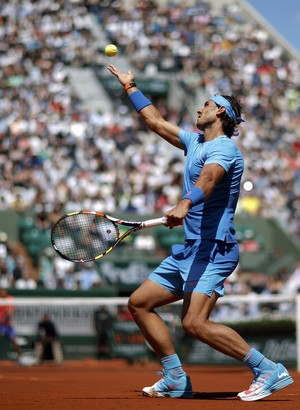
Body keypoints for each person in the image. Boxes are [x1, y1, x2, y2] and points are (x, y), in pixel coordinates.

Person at [106, 64, 294, 401]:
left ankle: (268, 368)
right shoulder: (193, 142)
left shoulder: (224, 149)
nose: (198, 108)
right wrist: (131, 86)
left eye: (206, 104)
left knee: (194, 322)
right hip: (192, 250)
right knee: (139, 303)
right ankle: (175, 375)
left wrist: (185, 203)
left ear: (220, 111)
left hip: (214, 249)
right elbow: (154, 121)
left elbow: (207, 180)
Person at [0, 288, 21, 360]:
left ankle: (20, 358)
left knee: (14, 341)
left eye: (4, 290)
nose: (3, 292)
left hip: (7, 325)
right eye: (1, 290)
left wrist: (7, 315)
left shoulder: (10, 298)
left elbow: (11, 311)